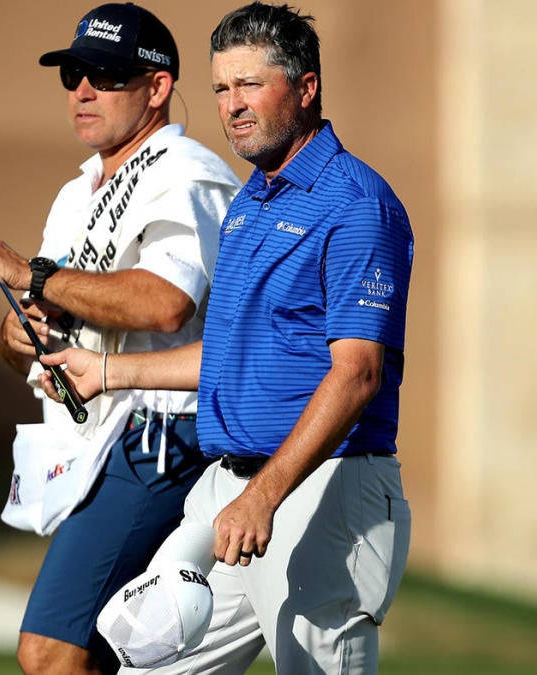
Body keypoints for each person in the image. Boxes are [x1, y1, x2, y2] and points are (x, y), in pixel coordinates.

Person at [39, 3, 415, 672]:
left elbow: (358, 373)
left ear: (305, 88)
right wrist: (108, 370)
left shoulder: (358, 203)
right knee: (148, 663)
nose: (232, 105)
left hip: (321, 489)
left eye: (250, 84)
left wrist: (263, 495)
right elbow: (232, 356)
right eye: (220, 87)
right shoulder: (250, 203)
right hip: (229, 494)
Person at [0, 4, 240, 673]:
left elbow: (166, 302)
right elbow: (48, 316)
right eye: (73, 73)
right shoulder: (78, 193)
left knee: (52, 653)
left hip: (164, 431)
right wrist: (17, 331)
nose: (83, 89)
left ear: (157, 87)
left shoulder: (184, 171)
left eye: (107, 73)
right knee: (106, 654)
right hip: (100, 438)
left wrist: (36, 275)